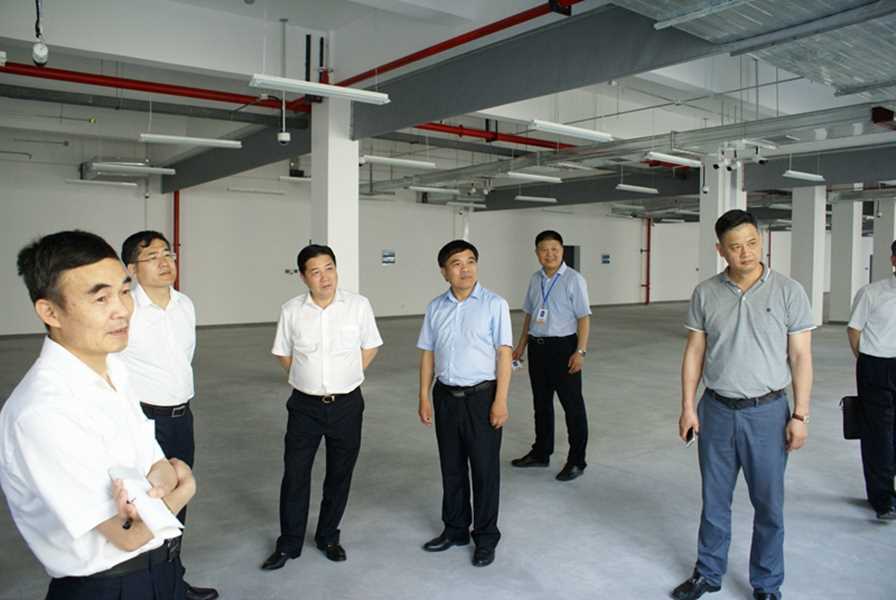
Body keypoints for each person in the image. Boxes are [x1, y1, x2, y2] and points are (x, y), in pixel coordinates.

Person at [0, 230, 196, 600]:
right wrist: (184, 489)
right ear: (50, 311)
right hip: (107, 586)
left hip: (160, 571)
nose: (122, 309)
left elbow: (158, 467)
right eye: (101, 298)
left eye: (124, 292)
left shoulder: (115, 371)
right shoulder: (43, 411)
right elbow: (128, 535)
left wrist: (155, 492)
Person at [672, 210, 814, 600]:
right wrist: (688, 406)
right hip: (716, 410)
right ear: (720, 250)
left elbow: (801, 356)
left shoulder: (788, 291)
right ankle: (708, 573)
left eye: (751, 243)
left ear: (761, 240)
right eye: (735, 247)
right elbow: (694, 351)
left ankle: (766, 584)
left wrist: (800, 414)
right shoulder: (706, 293)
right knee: (714, 500)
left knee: (768, 504)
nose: (745, 253)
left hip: (767, 413)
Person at [262, 244, 382, 571]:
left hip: (347, 405)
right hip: (304, 407)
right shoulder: (291, 310)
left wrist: (347, 374)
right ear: (304, 277)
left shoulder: (358, 306)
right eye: (315, 271)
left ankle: (328, 536)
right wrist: (308, 377)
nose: (324, 277)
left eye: (329, 268)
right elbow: (283, 353)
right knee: (295, 474)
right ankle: (289, 543)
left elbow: (370, 345)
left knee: (340, 473)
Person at [117, 231, 217, 600]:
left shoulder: (184, 304)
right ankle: (144, 586)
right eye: (152, 257)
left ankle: (173, 580)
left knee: (177, 499)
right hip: (143, 420)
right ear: (132, 269)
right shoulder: (125, 309)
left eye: (168, 254)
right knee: (143, 503)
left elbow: (184, 359)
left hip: (181, 418)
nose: (165, 262)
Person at [417, 239, 512, 567]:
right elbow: (428, 354)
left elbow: (504, 353)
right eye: (456, 263)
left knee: (484, 471)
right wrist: (424, 396)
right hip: (445, 397)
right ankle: (455, 529)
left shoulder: (494, 304)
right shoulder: (435, 307)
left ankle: (485, 537)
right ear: (444, 272)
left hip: (482, 397)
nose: (465, 269)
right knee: (452, 468)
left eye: (471, 261)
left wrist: (500, 400)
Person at [511, 230, 591, 481]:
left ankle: (577, 461)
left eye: (554, 249)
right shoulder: (535, 279)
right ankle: (541, 452)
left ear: (562, 250)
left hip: (563, 348)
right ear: (537, 253)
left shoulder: (574, 280)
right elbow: (530, 314)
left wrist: (580, 351)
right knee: (541, 404)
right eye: (544, 250)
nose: (549, 254)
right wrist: (521, 345)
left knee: (572, 406)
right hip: (538, 347)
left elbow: (584, 318)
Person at [847, 239, 896, 521]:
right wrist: (865, 360)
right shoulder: (872, 293)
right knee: (878, 433)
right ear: (893, 261)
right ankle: (883, 499)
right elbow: (854, 329)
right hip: (877, 366)